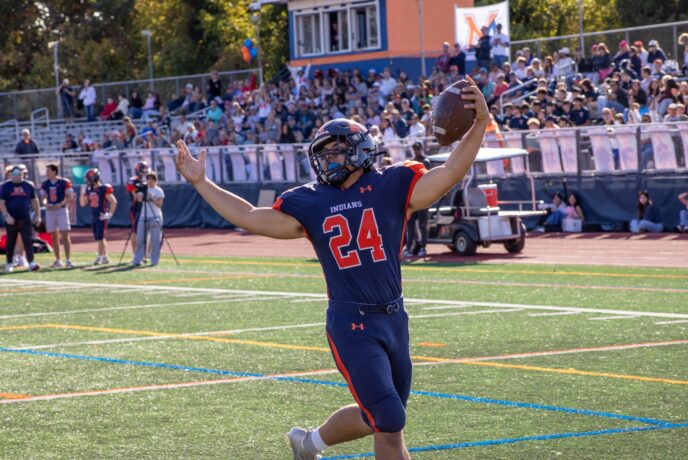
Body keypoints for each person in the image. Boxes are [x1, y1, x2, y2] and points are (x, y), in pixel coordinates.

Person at [175, 77, 489, 459]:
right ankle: (311, 442)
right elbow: (250, 215)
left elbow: (451, 172)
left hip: (394, 316)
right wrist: (201, 182)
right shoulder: (312, 201)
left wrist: (479, 124)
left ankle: (309, 442)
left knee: (386, 420)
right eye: (323, 155)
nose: (328, 161)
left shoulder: (392, 184)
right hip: (351, 322)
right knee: (388, 414)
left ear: (360, 151)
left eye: (336, 152)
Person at [0, 165, 41, 272]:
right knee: (11, 241)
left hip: (25, 217)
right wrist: (6, 216)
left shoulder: (28, 185)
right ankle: (9, 263)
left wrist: (38, 215)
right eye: (14, 174)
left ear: (23, 174)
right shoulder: (5, 186)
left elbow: (34, 201)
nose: (17, 176)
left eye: (19, 174)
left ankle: (31, 263)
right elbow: (2, 203)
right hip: (11, 218)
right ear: (10, 175)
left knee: (27, 240)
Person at [40, 163, 75, 268]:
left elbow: (70, 197)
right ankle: (58, 260)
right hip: (50, 211)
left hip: (61, 210)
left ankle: (68, 260)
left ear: (54, 171)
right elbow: (42, 197)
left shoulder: (64, 182)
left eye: (48, 171)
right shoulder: (45, 184)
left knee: (65, 234)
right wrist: (46, 204)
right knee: (54, 236)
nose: (47, 173)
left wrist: (61, 204)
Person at [79, 169, 117, 264]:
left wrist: (110, 214)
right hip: (94, 215)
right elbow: (82, 204)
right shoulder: (88, 189)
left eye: (88, 179)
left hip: (101, 215)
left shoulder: (104, 188)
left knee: (100, 237)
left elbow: (113, 201)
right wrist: (82, 194)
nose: (87, 181)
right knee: (99, 237)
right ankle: (104, 257)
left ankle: (100, 256)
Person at [403, 141, 432, 257]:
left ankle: (423, 247)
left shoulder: (425, 161)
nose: (417, 151)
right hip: (413, 196)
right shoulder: (411, 162)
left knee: (422, 224)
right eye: (415, 149)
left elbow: (427, 178)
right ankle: (410, 247)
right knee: (410, 225)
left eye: (418, 149)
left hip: (423, 196)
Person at [131, 172, 164, 267]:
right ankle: (137, 259)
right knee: (140, 238)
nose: (149, 181)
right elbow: (138, 200)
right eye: (148, 179)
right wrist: (138, 194)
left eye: (151, 179)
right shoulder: (144, 189)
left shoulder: (158, 190)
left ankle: (154, 260)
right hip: (143, 216)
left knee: (155, 239)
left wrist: (151, 197)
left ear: (155, 180)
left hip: (155, 216)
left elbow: (160, 204)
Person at [126, 161, 149, 259]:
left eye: (146, 171)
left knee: (146, 231)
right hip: (136, 208)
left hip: (146, 208)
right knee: (135, 231)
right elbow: (135, 197)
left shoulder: (146, 181)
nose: (145, 173)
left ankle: (145, 252)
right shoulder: (133, 180)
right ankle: (135, 253)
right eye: (143, 171)